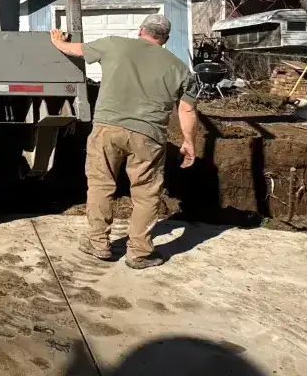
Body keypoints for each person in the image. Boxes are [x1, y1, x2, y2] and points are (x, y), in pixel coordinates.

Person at [50, 14, 199, 269]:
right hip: (148, 135)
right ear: (166, 38)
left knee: (100, 185)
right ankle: (139, 253)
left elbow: (73, 50)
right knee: (146, 193)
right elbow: (187, 111)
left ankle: (98, 243)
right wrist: (189, 143)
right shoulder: (180, 69)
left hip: (107, 129)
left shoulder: (115, 44)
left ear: (141, 30)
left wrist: (59, 41)